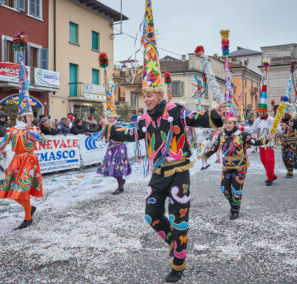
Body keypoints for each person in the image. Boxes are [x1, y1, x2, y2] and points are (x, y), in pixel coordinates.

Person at [99, 3, 227, 279]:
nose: (146, 100)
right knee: (151, 215)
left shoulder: (176, 111)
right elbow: (131, 133)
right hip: (158, 173)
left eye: (150, 95)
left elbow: (196, 118)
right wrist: (110, 129)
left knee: (180, 221)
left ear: (160, 94)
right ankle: (174, 244)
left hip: (179, 171)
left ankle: (178, 264)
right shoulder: (145, 119)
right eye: (144, 96)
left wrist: (214, 116)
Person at [0, 33, 45, 230]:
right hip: (17, 161)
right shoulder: (13, 130)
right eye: (28, 116)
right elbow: (1, 145)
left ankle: (28, 218)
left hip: (29, 160)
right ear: (21, 117)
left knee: (21, 191)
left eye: (32, 116)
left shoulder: (32, 130)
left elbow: (44, 142)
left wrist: (39, 134)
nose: (31, 119)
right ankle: (30, 209)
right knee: (11, 193)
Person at [202, 114, 274, 220]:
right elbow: (214, 147)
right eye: (226, 123)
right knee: (224, 189)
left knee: (236, 190)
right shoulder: (221, 135)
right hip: (227, 167)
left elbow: (255, 141)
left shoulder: (243, 135)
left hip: (240, 167)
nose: (227, 125)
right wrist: (204, 156)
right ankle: (234, 205)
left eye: (230, 123)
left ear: (235, 123)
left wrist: (266, 139)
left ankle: (235, 210)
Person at [97, 115, 132, 195]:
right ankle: (121, 181)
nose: (109, 119)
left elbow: (121, 136)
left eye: (111, 118)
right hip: (111, 148)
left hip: (119, 148)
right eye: (108, 118)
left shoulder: (118, 126)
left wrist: (109, 126)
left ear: (115, 118)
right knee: (108, 167)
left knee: (117, 167)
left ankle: (120, 187)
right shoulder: (108, 126)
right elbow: (103, 135)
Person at [279, 113, 297, 178]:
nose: (283, 115)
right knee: (284, 157)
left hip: (292, 142)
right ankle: (289, 168)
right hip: (284, 143)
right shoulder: (280, 122)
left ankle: (290, 172)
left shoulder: (293, 121)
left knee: (290, 156)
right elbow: (277, 131)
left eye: (284, 114)